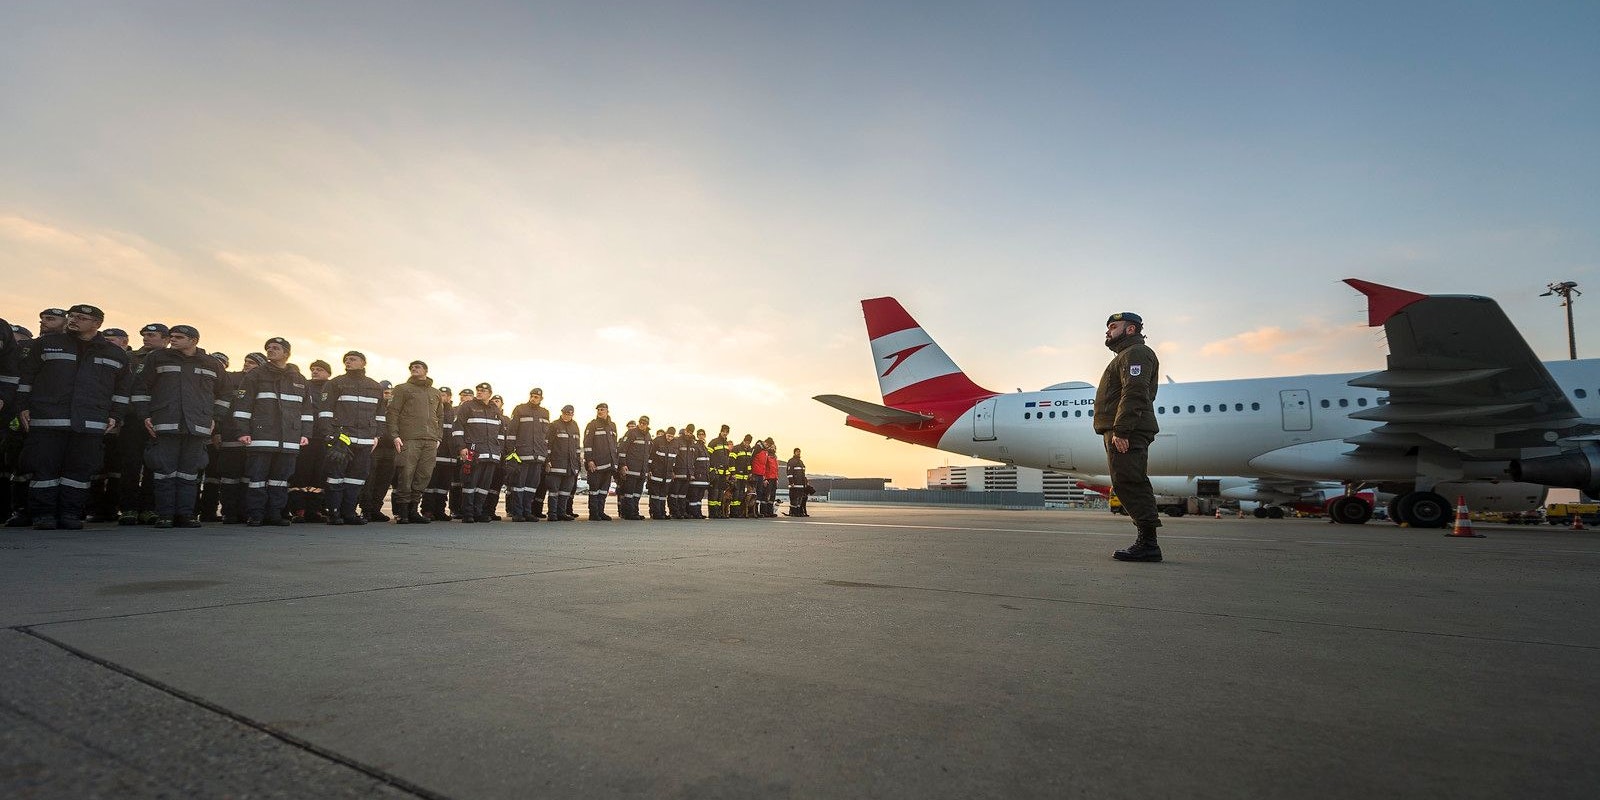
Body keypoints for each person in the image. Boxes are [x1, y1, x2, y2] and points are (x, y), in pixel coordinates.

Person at [14, 304, 133, 529]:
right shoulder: (46, 344)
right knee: (44, 469)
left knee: (79, 471)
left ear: (97, 324)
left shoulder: (115, 354)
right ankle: (43, 515)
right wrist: (22, 406)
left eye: (81, 317)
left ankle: (70, 514)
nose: (74, 320)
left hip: (90, 422)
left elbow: (122, 390)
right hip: (48, 419)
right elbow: (27, 378)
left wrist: (116, 416)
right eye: (72, 316)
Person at [131, 324, 226, 527]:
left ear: (194, 341)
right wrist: (144, 415)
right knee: (164, 471)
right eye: (172, 336)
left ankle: (185, 515)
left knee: (189, 473)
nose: (173, 339)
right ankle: (165, 515)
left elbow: (225, 394)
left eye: (179, 337)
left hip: (197, 425)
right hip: (165, 422)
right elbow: (140, 388)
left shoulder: (212, 363)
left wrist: (215, 418)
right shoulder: (157, 358)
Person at [1096, 311, 1163, 563]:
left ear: (1131, 329)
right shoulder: (1126, 355)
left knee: (1130, 481)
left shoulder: (1136, 353)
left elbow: (1135, 391)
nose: (1108, 331)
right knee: (1126, 481)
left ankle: (1148, 544)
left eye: (1114, 326)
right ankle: (1147, 543)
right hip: (1124, 428)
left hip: (1128, 430)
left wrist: (1122, 430)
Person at [231, 337, 313, 526]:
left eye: (276, 348)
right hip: (262, 437)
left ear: (286, 353)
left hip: (289, 439)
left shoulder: (299, 379)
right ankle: (256, 514)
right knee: (257, 479)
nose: (270, 350)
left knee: (280, 480)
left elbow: (307, 410)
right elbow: (242, 405)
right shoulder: (255, 375)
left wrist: (305, 434)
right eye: (268, 347)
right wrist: (242, 431)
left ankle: (274, 514)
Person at [318, 351, 384, 525]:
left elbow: (380, 415)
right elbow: (325, 412)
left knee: (357, 478)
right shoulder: (335, 383)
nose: (348, 361)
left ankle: (349, 513)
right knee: (335, 477)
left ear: (363, 363)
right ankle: (334, 513)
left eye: (353, 359)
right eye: (346, 359)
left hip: (365, 440)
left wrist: (377, 435)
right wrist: (330, 435)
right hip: (342, 439)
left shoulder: (375, 386)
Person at [118, 322, 169, 524]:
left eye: (151, 335)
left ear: (166, 340)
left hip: (161, 419)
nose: (146, 338)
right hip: (133, 419)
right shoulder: (129, 358)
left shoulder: (173, 359)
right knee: (130, 464)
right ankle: (128, 509)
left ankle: (149, 508)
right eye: (145, 335)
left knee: (154, 465)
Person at [387, 360, 442, 524]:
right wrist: (395, 435)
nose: (413, 368)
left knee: (424, 475)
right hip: (409, 438)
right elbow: (392, 412)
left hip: (430, 440)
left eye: (417, 367)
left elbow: (440, 417)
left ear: (426, 370)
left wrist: (438, 437)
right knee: (406, 473)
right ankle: (403, 512)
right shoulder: (402, 389)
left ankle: (413, 510)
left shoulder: (435, 393)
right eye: (411, 367)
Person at [452, 382, 503, 523]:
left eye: (483, 391)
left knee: (484, 486)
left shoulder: (495, 410)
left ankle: (478, 512)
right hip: (473, 453)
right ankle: (467, 513)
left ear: (490, 394)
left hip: (491, 454)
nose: (479, 392)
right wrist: (461, 447)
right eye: (478, 390)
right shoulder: (467, 406)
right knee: (470, 484)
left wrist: (499, 450)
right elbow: (457, 428)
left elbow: (500, 434)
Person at [290, 358, 333, 522]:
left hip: (324, 438)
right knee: (301, 473)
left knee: (319, 475)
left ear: (328, 373)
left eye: (319, 369)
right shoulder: (304, 386)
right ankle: (299, 509)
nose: (315, 371)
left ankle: (314, 510)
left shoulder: (332, 388)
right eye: (313, 369)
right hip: (305, 437)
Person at [507, 388, 549, 522]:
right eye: (532, 396)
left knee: (531, 486)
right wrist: (511, 452)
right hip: (522, 455)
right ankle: (517, 513)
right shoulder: (520, 409)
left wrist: (545, 455)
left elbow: (545, 437)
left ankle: (527, 511)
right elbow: (512, 431)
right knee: (519, 485)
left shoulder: (545, 413)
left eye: (536, 397)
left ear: (541, 399)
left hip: (538, 456)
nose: (534, 398)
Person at [544, 404, 581, 521]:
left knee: (565, 491)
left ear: (572, 414)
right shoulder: (554, 425)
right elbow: (547, 444)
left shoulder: (575, 426)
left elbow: (577, 447)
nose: (567, 416)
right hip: (556, 464)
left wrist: (577, 463)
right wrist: (547, 460)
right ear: (562, 413)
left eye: (569, 414)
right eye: (565, 413)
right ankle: (552, 514)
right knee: (554, 491)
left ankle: (562, 513)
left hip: (570, 466)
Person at [583, 402, 618, 521]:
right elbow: (587, 444)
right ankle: (594, 513)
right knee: (594, 490)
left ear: (607, 411)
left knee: (603, 491)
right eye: (598, 410)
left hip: (609, 464)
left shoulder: (612, 425)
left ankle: (601, 512)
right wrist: (589, 460)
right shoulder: (592, 425)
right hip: (596, 464)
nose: (600, 411)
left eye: (602, 409)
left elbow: (614, 445)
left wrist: (615, 462)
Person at [616, 415, 650, 520]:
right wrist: (623, 464)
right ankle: (628, 513)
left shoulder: (648, 435)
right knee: (629, 493)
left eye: (644, 423)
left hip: (642, 470)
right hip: (631, 469)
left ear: (647, 425)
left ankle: (635, 512)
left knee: (637, 494)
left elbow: (648, 453)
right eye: (641, 423)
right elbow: (622, 450)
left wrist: (647, 469)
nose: (642, 425)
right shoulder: (631, 433)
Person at [706, 425, 732, 519]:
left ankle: (719, 512)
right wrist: (711, 469)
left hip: (723, 473)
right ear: (720, 431)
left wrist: (728, 472)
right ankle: (713, 513)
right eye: (723, 431)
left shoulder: (726, 444)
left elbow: (726, 459)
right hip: (715, 472)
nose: (725, 433)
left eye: (726, 432)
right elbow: (708, 456)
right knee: (714, 493)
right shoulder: (714, 442)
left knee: (720, 493)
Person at [647, 425, 672, 519]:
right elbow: (650, 456)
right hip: (656, 473)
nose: (669, 438)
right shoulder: (657, 441)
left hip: (666, 474)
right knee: (655, 495)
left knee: (662, 495)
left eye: (671, 436)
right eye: (668, 436)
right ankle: (656, 513)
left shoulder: (673, 444)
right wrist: (649, 469)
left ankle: (662, 512)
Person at [689, 428, 711, 519]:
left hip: (704, 477)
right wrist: (692, 474)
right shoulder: (696, 446)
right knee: (694, 496)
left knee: (700, 497)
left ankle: (698, 512)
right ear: (697, 436)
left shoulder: (704, 447)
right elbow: (691, 462)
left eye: (703, 434)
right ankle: (693, 513)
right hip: (697, 477)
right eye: (700, 434)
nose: (701, 436)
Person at [730, 434, 754, 519]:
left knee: (741, 494)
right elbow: (732, 461)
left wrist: (750, 472)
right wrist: (733, 473)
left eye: (749, 443)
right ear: (744, 441)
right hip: (737, 475)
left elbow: (749, 463)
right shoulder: (736, 448)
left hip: (744, 476)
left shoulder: (750, 450)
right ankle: (733, 512)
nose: (747, 444)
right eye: (746, 442)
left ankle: (739, 512)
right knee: (736, 494)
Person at [786, 447, 810, 517]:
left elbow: (803, 474)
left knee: (800, 499)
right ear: (794, 453)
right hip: (794, 484)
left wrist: (805, 482)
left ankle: (798, 512)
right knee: (794, 499)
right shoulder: (791, 461)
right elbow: (789, 473)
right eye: (797, 452)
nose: (798, 453)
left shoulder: (801, 462)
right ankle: (793, 512)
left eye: (799, 452)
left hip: (801, 484)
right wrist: (791, 482)